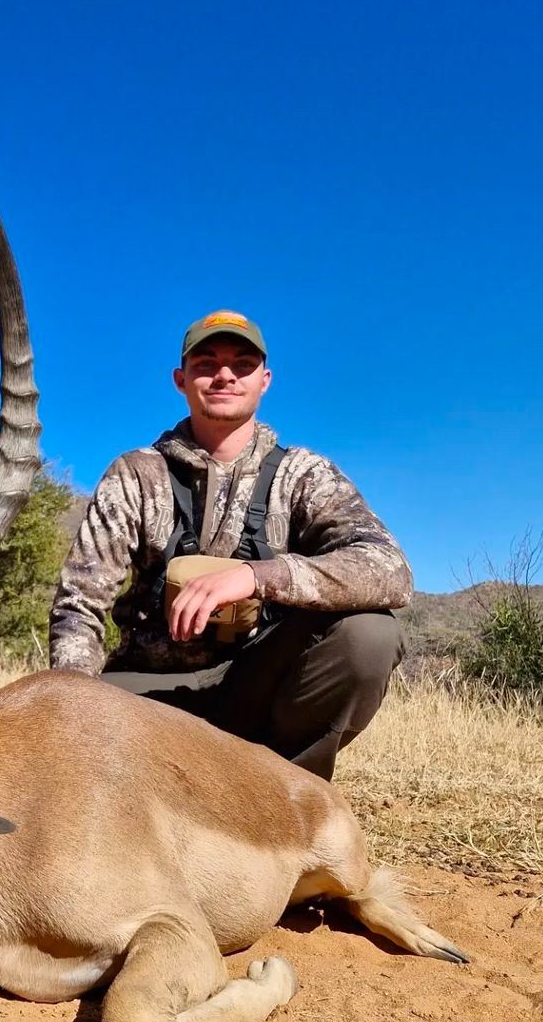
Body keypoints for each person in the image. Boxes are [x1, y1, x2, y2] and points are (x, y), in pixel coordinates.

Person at [49, 309, 411, 780]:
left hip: (257, 689)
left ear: (265, 381)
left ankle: (287, 792)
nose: (225, 375)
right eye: (206, 364)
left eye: (242, 364)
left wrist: (257, 577)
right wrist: (73, 709)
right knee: (57, 713)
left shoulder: (303, 474)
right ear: (181, 380)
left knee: (370, 634)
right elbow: (78, 606)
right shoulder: (135, 474)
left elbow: (389, 568)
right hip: (148, 696)